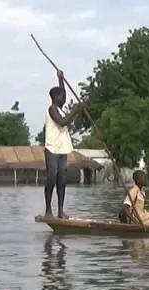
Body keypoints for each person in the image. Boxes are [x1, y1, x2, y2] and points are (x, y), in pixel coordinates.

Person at [44, 70, 83, 218]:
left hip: (62, 149)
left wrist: (61, 79)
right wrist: (76, 110)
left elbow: (64, 95)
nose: (63, 98)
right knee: (52, 177)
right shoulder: (52, 109)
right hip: (52, 148)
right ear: (55, 97)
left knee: (62, 179)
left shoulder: (59, 107)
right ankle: (48, 210)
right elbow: (62, 122)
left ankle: (60, 210)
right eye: (61, 96)